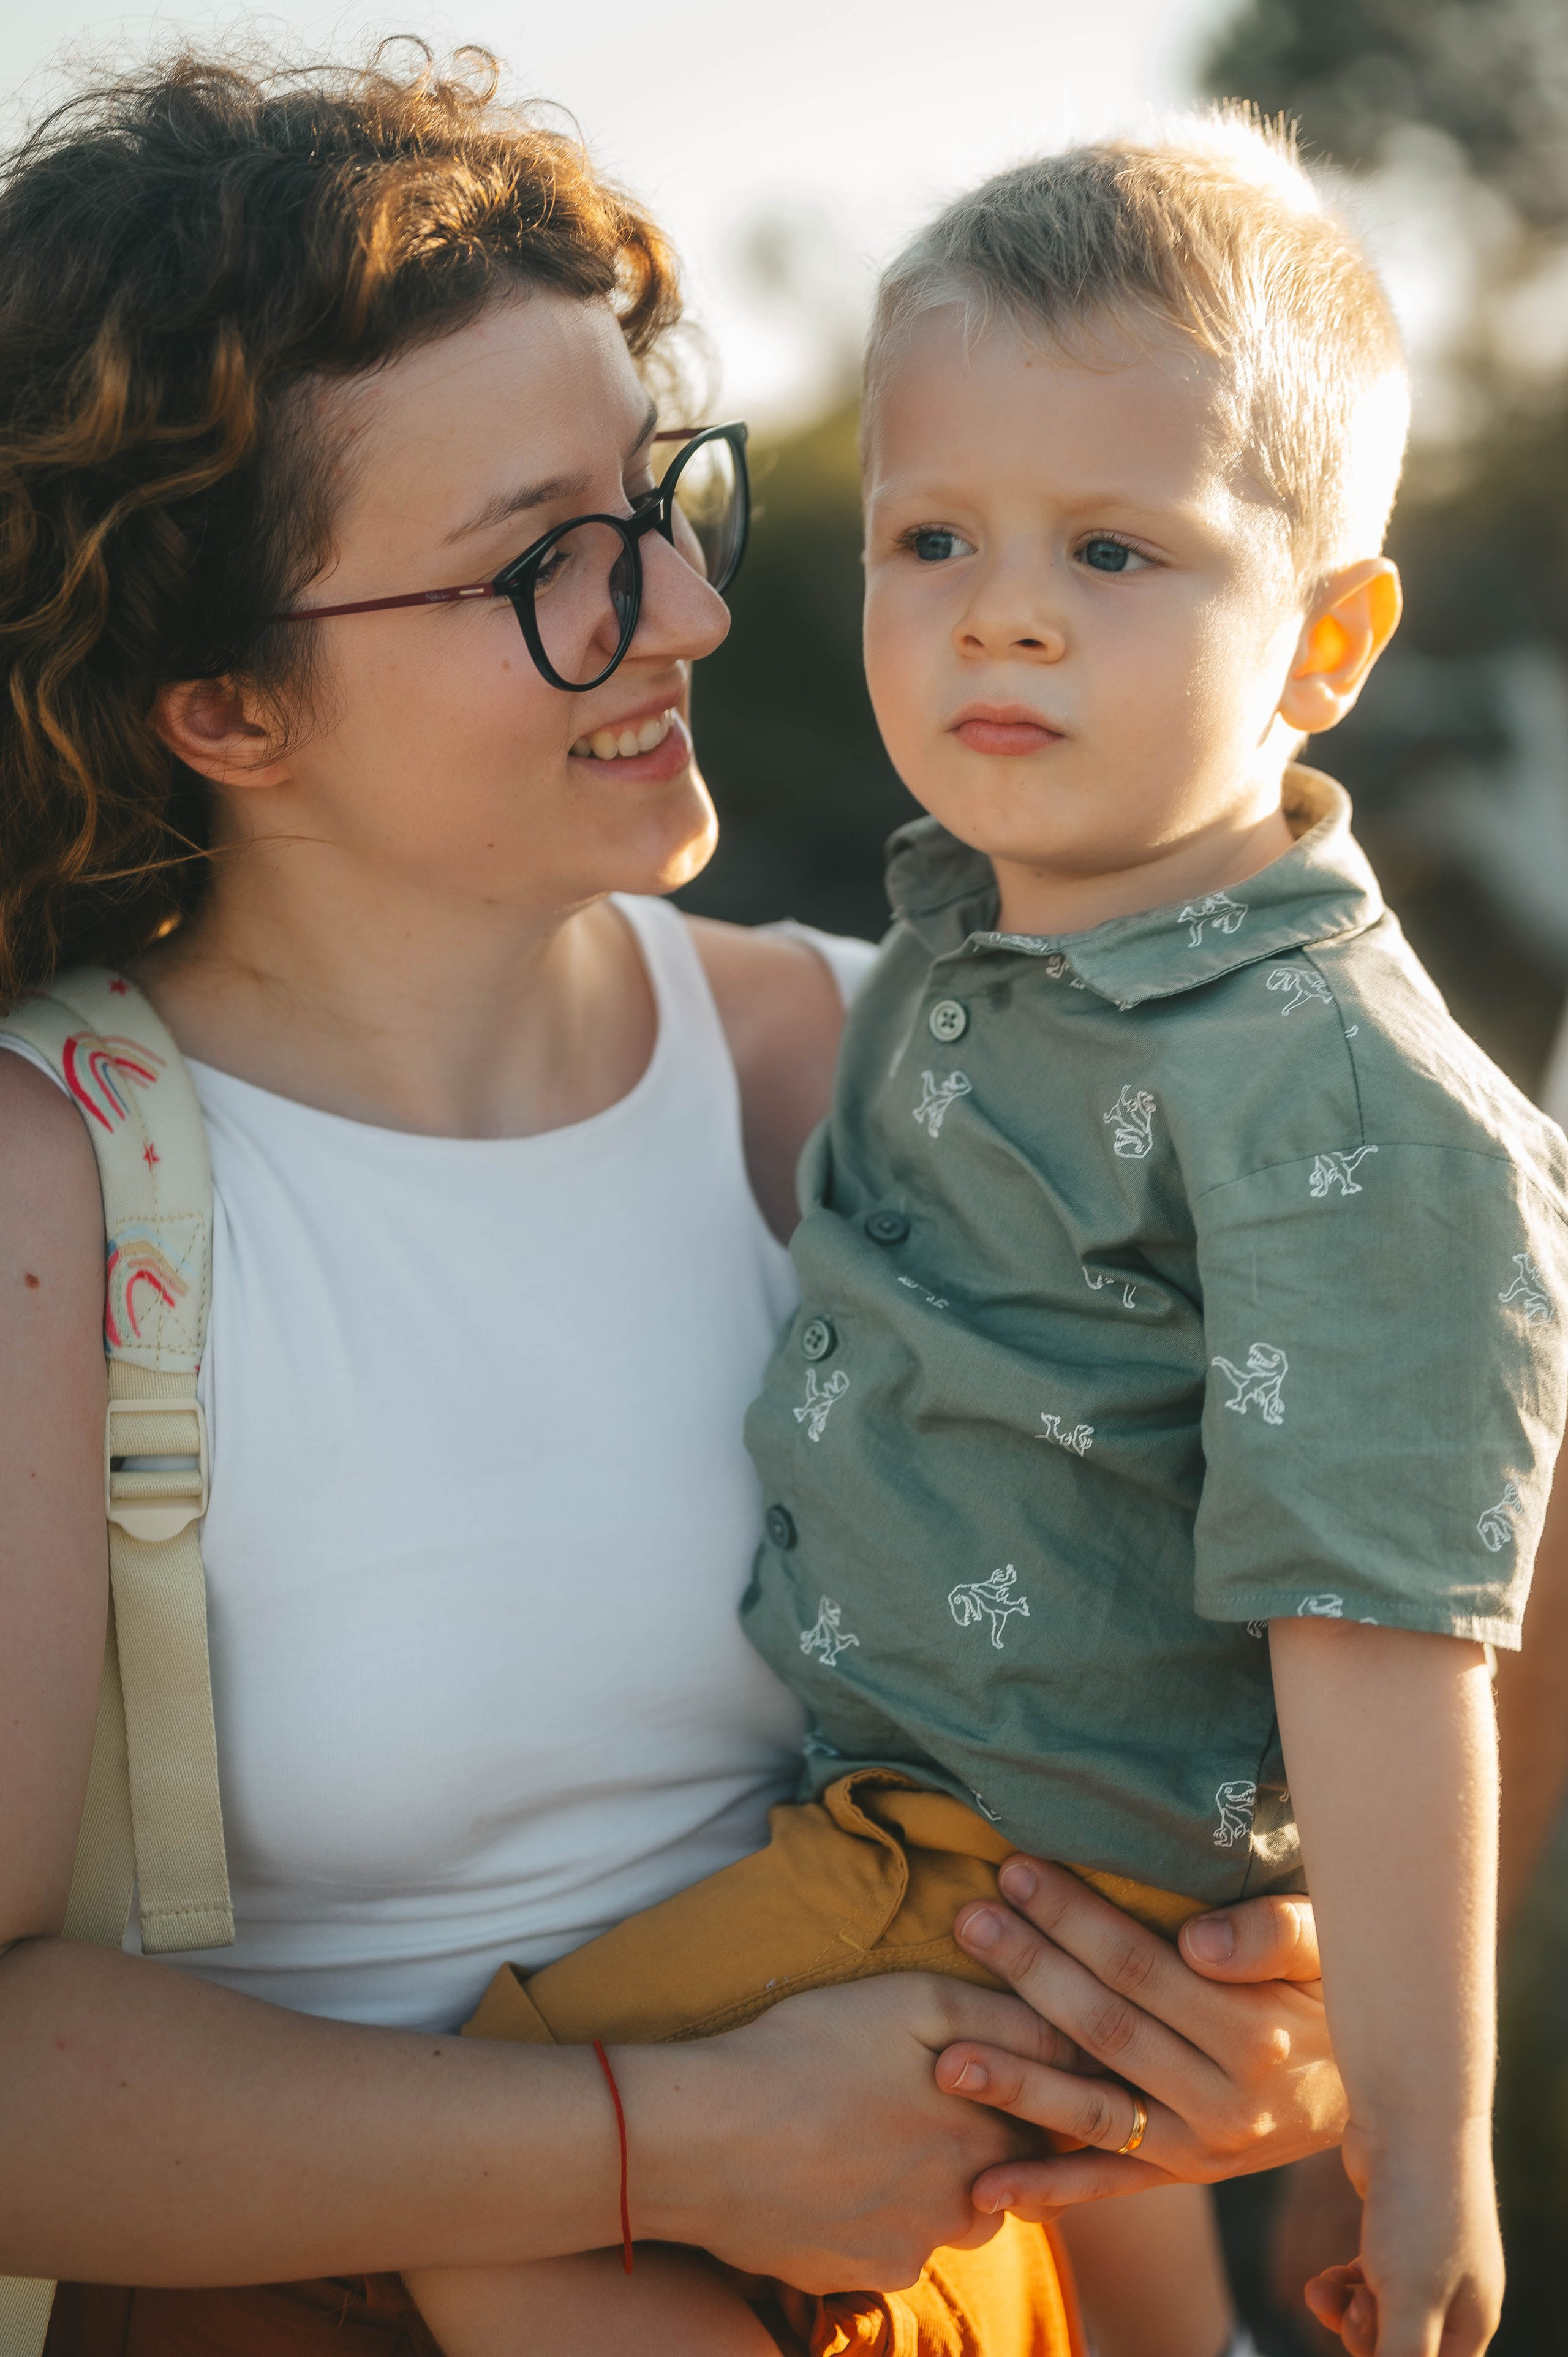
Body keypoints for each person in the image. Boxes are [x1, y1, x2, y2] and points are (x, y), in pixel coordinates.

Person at [0, 48, 1355, 2357]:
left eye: (663, 500)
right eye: (546, 564)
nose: (686, 615)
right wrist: (659, 2140)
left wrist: (1291, 2019)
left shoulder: (878, 1069)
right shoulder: (61, 1206)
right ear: (224, 708)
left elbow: (1450, 1504)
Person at [413, 115, 1568, 2357]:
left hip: (1009, 1868)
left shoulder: (1337, 1098)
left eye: (1118, 553)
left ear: (1326, 640)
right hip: (942, 1796)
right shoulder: (977, 943)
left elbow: (1391, 1635)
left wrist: (1420, 2132)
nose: (1003, 609)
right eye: (934, 534)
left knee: (493, 2171)